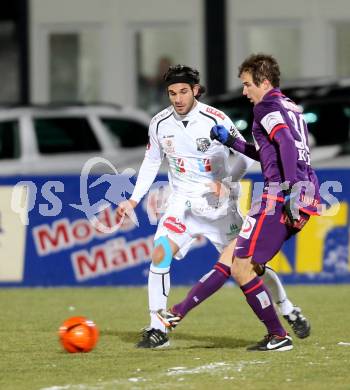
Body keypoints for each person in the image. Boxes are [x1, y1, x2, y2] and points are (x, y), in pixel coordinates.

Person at [117, 63, 310, 349]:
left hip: (219, 205)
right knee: (159, 254)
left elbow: (244, 156)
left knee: (248, 265)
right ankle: (157, 328)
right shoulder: (159, 123)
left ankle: (286, 306)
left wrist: (228, 182)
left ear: (195, 90)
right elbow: (152, 162)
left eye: (184, 91)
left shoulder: (215, 118)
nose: (178, 98)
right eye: (172, 93)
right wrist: (133, 199)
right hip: (181, 202)